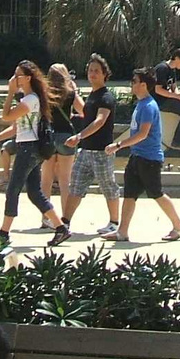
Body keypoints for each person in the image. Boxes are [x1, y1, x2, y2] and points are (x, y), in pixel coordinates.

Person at [0, 59, 69, 246]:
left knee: (13, 189)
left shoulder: (29, 100)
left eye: (18, 76)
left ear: (27, 78)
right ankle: (61, 228)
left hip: (28, 149)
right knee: (34, 192)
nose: (14, 79)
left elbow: (6, 116)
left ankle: (3, 233)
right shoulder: (31, 99)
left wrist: (10, 92)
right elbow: (16, 127)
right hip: (29, 147)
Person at [104, 67, 180, 244]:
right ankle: (122, 232)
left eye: (134, 82)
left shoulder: (149, 106)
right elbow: (135, 133)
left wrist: (118, 145)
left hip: (150, 159)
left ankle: (179, 226)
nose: (131, 85)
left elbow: (143, 134)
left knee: (156, 193)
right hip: (136, 157)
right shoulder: (140, 105)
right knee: (129, 194)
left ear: (143, 85)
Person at [61, 54, 123, 235]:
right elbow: (85, 114)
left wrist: (78, 136)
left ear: (105, 74)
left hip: (102, 151)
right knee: (76, 187)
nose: (93, 74)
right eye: (90, 70)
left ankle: (114, 222)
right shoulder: (92, 96)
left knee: (108, 187)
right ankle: (65, 223)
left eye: (97, 71)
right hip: (85, 151)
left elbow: (100, 121)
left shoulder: (106, 97)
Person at [43, 62, 85, 200]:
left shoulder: (44, 94)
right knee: (65, 181)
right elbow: (85, 111)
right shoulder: (70, 94)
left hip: (47, 136)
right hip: (66, 136)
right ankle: (65, 219)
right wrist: (76, 91)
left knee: (46, 179)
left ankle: (46, 217)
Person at [152, 47, 180, 148]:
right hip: (159, 101)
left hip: (167, 99)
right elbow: (157, 90)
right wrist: (176, 96)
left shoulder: (173, 70)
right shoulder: (162, 69)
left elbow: (174, 88)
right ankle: (177, 141)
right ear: (176, 58)